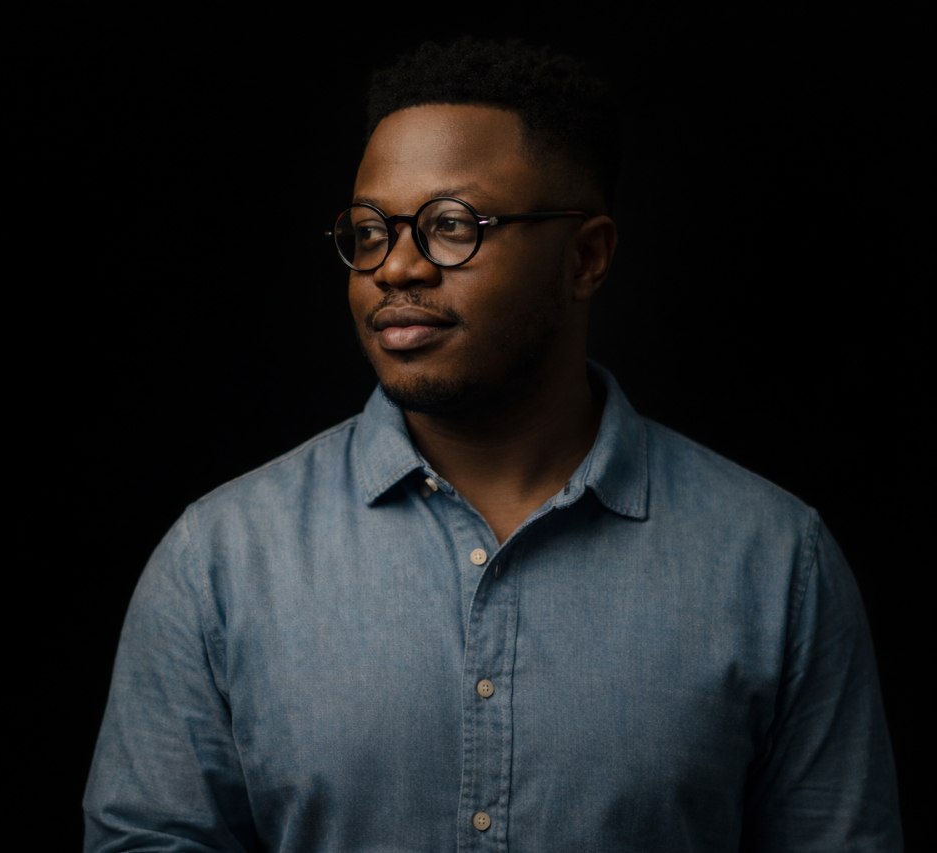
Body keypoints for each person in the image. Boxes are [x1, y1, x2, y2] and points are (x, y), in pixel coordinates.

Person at [82, 34, 903, 852]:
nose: (395, 268)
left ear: (586, 257)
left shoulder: (777, 564)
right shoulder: (219, 560)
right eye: (369, 231)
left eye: (450, 225)